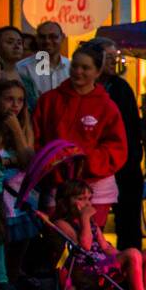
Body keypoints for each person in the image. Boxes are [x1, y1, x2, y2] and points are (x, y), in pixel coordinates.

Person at [31, 42, 127, 228]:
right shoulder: (50, 100)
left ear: (98, 72)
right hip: (57, 183)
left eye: (85, 68)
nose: (78, 72)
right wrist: (53, 164)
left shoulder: (107, 106)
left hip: (96, 185)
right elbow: (36, 138)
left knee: (89, 244)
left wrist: (83, 161)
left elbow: (117, 148)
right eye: (74, 66)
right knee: (56, 242)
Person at [52, 179, 146, 290]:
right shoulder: (62, 224)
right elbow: (85, 246)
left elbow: (104, 247)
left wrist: (125, 256)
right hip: (87, 270)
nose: (87, 204)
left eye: (89, 199)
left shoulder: (91, 223)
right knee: (132, 254)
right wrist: (84, 219)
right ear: (65, 201)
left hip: (104, 264)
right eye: (81, 199)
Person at [94, 38, 144, 252]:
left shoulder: (121, 87)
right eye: (109, 57)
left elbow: (132, 125)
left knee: (129, 220)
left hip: (124, 163)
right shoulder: (87, 86)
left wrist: (133, 158)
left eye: (116, 57)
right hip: (94, 163)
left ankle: (130, 269)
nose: (114, 61)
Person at [0, 79, 34, 286]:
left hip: (19, 205)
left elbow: (29, 162)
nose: (15, 105)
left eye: (20, 100)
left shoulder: (24, 126)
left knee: (13, 267)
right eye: (9, 99)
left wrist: (17, 130)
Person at [15, 20, 69, 109]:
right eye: (42, 37)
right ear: (36, 39)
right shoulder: (22, 68)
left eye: (53, 37)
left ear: (62, 37)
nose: (47, 41)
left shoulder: (72, 67)